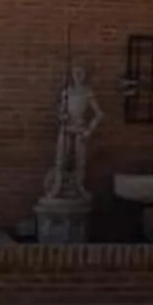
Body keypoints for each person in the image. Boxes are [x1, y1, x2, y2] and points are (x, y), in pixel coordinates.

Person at [46, 63, 102, 201]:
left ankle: (79, 187)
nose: (78, 76)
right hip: (66, 129)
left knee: (80, 161)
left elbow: (99, 114)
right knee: (60, 160)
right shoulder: (67, 92)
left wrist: (89, 131)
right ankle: (57, 187)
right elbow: (61, 112)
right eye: (75, 72)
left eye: (80, 73)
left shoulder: (87, 92)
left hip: (80, 129)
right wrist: (62, 116)